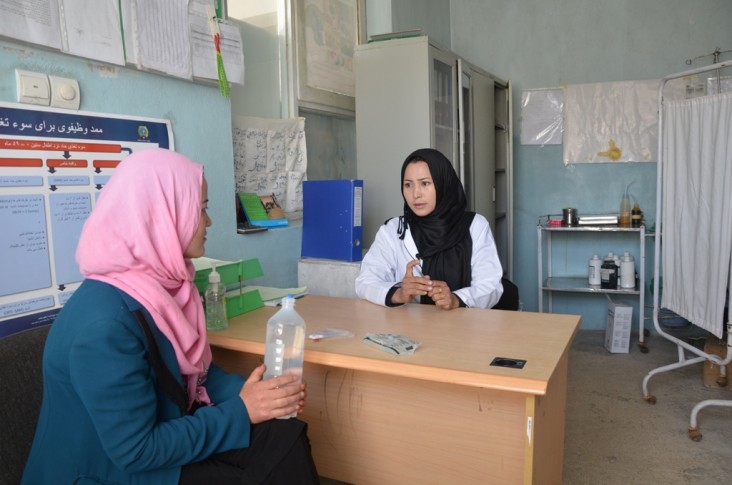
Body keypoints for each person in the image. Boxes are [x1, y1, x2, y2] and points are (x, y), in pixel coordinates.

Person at [22, 148, 320, 484]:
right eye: (202, 210)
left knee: (283, 434)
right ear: (162, 215)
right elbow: (137, 450)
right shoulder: (104, 326)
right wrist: (243, 410)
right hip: (108, 470)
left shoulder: (160, 287)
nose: (208, 222)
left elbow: (193, 377)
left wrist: (264, 393)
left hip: (157, 435)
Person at [355, 148, 505, 310]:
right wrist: (399, 293)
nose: (415, 194)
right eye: (408, 185)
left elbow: (491, 286)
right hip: (409, 327)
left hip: (464, 328)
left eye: (425, 183)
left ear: (443, 184)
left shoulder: (474, 226)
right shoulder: (394, 230)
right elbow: (365, 282)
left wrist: (456, 299)